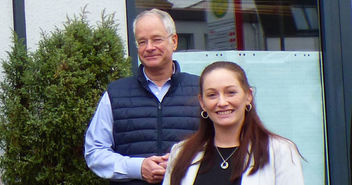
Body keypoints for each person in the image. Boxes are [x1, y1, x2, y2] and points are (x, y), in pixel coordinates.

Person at [84, 9, 200, 185]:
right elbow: (94, 152)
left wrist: (184, 163)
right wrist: (137, 168)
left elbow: (221, 146)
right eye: (142, 41)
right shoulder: (116, 94)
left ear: (174, 41)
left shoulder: (201, 90)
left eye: (157, 39)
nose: (149, 47)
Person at [162, 61, 305, 185]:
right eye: (212, 95)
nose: (222, 102)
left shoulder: (280, 151)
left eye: (231, 92)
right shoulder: (181, 153)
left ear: (248, 96)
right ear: (202, 103)